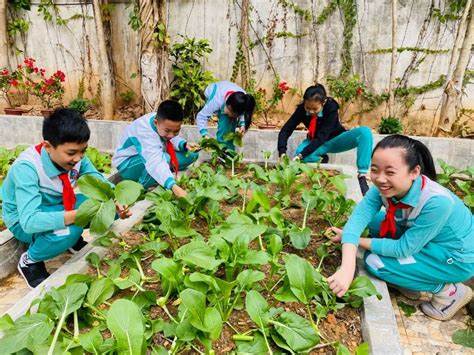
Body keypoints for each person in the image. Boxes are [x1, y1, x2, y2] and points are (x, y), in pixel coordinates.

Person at [327, 135, 473, 321]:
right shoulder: (383, 188)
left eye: (390, 172)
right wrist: (346, 268)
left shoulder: (437, 202)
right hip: (427, 240)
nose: (380, 179)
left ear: (414, 172)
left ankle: (449, 293)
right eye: (374, 170)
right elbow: (357, 220)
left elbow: (403, 248)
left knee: (375, 262)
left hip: (455, 257)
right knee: (373, 222)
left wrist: (357, 242)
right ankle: (409, 279)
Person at [1, 108, 130, 288]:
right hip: (23, 220)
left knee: (107, 207)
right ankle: (30, 261)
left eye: (83, 151)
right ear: (48, 146)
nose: (79, 158)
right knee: (70, 229)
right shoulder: (27, 168)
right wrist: (77, 216)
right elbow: (29, 221)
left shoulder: (77, 157)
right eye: (71, 153)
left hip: (57, 205)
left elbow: (97, 180)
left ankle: (70, 241)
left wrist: (115, 199)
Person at [277, 84, 373, 195]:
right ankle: (322, 158)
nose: (311, 111)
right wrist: (282, 152)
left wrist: (300, 155)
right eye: (308, 108)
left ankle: (362, 174)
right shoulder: (301, 110)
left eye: (315, 109)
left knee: (365, 132)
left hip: (335, 139)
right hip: (315, 142)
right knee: (300, 153)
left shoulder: (331, 108)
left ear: (323, 103)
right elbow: (285, 130)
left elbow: (323, 136)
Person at [113, 100, 199, 197]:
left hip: (156, 156)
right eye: (167, 131)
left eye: (176, 131)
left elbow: (172, 138)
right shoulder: (144, 130)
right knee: (163, 159)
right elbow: (154, 162)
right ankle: (140, 188)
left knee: (192, 154)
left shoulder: (162, 121)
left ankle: (162, 173)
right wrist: (173, 186)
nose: (171, 135)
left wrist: (184, 145)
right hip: (127, 164)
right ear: (155, 122)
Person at [196, 80, 256, 151]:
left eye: (235, 115)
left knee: (230, 128)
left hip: (227, 92)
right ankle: (221, 151)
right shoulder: (216, 101)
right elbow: (201, 116)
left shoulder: (244, 99)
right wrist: (204, 134)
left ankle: (229, 152)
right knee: (225, 124)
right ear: (228, 106)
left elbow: (243, 113)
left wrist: (242, 125)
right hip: (212, 91)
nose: (230, 115)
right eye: (230, 112)